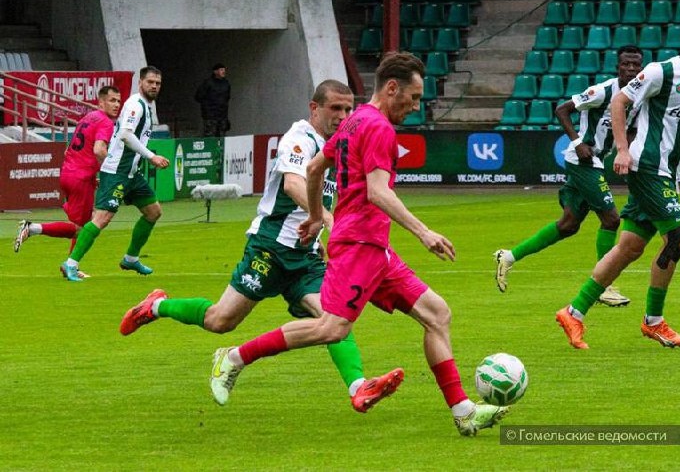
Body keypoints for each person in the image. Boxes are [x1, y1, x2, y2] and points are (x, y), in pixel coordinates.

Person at [208, 52, 509, 436]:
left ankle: (463, 411)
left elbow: (315, 168)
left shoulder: (355, 121)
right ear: (392, 88)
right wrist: (423, 232)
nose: (415, 106)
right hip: (358, 245)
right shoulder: (379, 127)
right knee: (331, 328)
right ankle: (234, 357)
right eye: (414, 97)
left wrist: (315, 216)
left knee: (437, 313)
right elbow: (377, 191)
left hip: (373, 246)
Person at [118, 80, 403, 412]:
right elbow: (293, 184)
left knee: (333, 319)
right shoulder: (299, 138)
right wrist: (326, 219)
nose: (342, 115)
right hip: (270, 248)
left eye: (348, 109)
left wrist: (321, 237)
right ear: (314, 108)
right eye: (335, 108)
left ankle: (358, 386)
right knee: (220, 321)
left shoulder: (337, 145)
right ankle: (155, 306)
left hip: (305, 256)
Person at [555, 16, 680, 349]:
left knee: (629, 247)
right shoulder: (661, 71)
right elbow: (619, 102)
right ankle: (654, 321)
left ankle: (573, 312)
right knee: (679, 237)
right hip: (647, 166)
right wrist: (622, 149)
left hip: (668, 172)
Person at [494, 46, 645, 307]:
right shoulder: (602, 91)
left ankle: (508, 256)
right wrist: (577, 142)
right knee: (611, 219)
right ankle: (604, 286)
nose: (631, 69)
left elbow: (630, 130)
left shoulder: (637, 98)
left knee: (568, 225)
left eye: (636, 65)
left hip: (597, 160)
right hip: (582, 161)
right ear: (617, 67)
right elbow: (562, 110)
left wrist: (629, 154)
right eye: (626, 64)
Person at [60, 66, 170, 281]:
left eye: (157, 83)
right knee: (102, 218)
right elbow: (126, 135)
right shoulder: (135, 105)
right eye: (150, 82)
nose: (154, 86)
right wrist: (151, 156)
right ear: (140, 83)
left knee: (153, 211)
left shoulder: (146, 106)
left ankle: (130, 259)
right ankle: (70, 263)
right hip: (117, 170)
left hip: (131, 172)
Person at [14, 85, 121, 279]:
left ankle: (71, 265)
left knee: (83, 223)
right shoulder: (106, 122)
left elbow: (68, 150)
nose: (116, 105)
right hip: (80, 179)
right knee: (81, 229)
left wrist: (90, 174)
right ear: (101, 102)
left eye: (118, 101)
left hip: (68, 174)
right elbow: (99, 150)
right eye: (112, 100)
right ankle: (33, 228)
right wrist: (112, 172)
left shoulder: (88, 118)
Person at [195, 63, 231, 137]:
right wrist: (208, 107)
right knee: (210, 138)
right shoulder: (208, 83)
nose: (223, 72)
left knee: (222, 138)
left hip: (222, 116)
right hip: (210, 116)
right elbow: (199, 97)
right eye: (221, 70)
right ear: (215, 71)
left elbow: (227, 98)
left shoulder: (226, 83)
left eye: (224, 70)